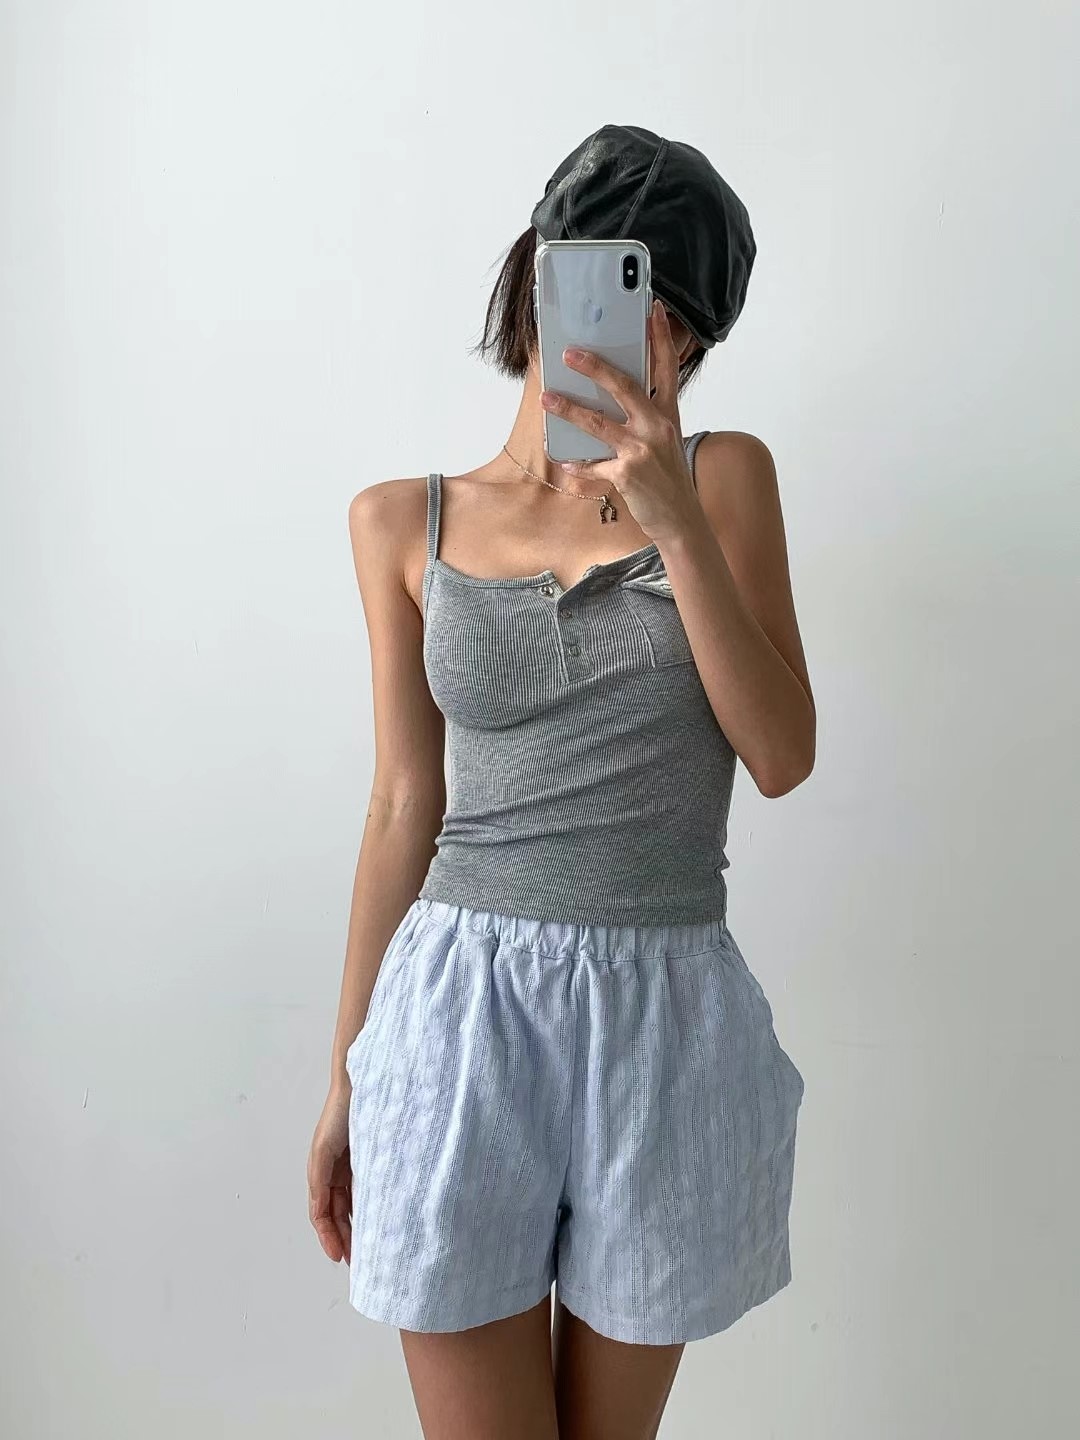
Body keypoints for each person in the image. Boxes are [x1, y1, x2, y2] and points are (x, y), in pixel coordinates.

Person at [307, 124, 815, 1440]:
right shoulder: (399, 521)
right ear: (537, 278)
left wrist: (673, 519)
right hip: (457, 1019)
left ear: (692, 342)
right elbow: (402, 805)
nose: (640, 335)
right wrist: (347, 1075)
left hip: (664, 1018)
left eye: (669, 314)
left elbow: (781, 755)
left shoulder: (725, 481)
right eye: (607, 282)